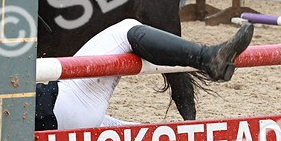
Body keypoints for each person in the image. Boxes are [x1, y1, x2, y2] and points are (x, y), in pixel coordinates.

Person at [35, 19, 254, 132]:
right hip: (60, 106)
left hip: (48, 120)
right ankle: (208, 57)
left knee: (125, 130)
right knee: (125, 29)